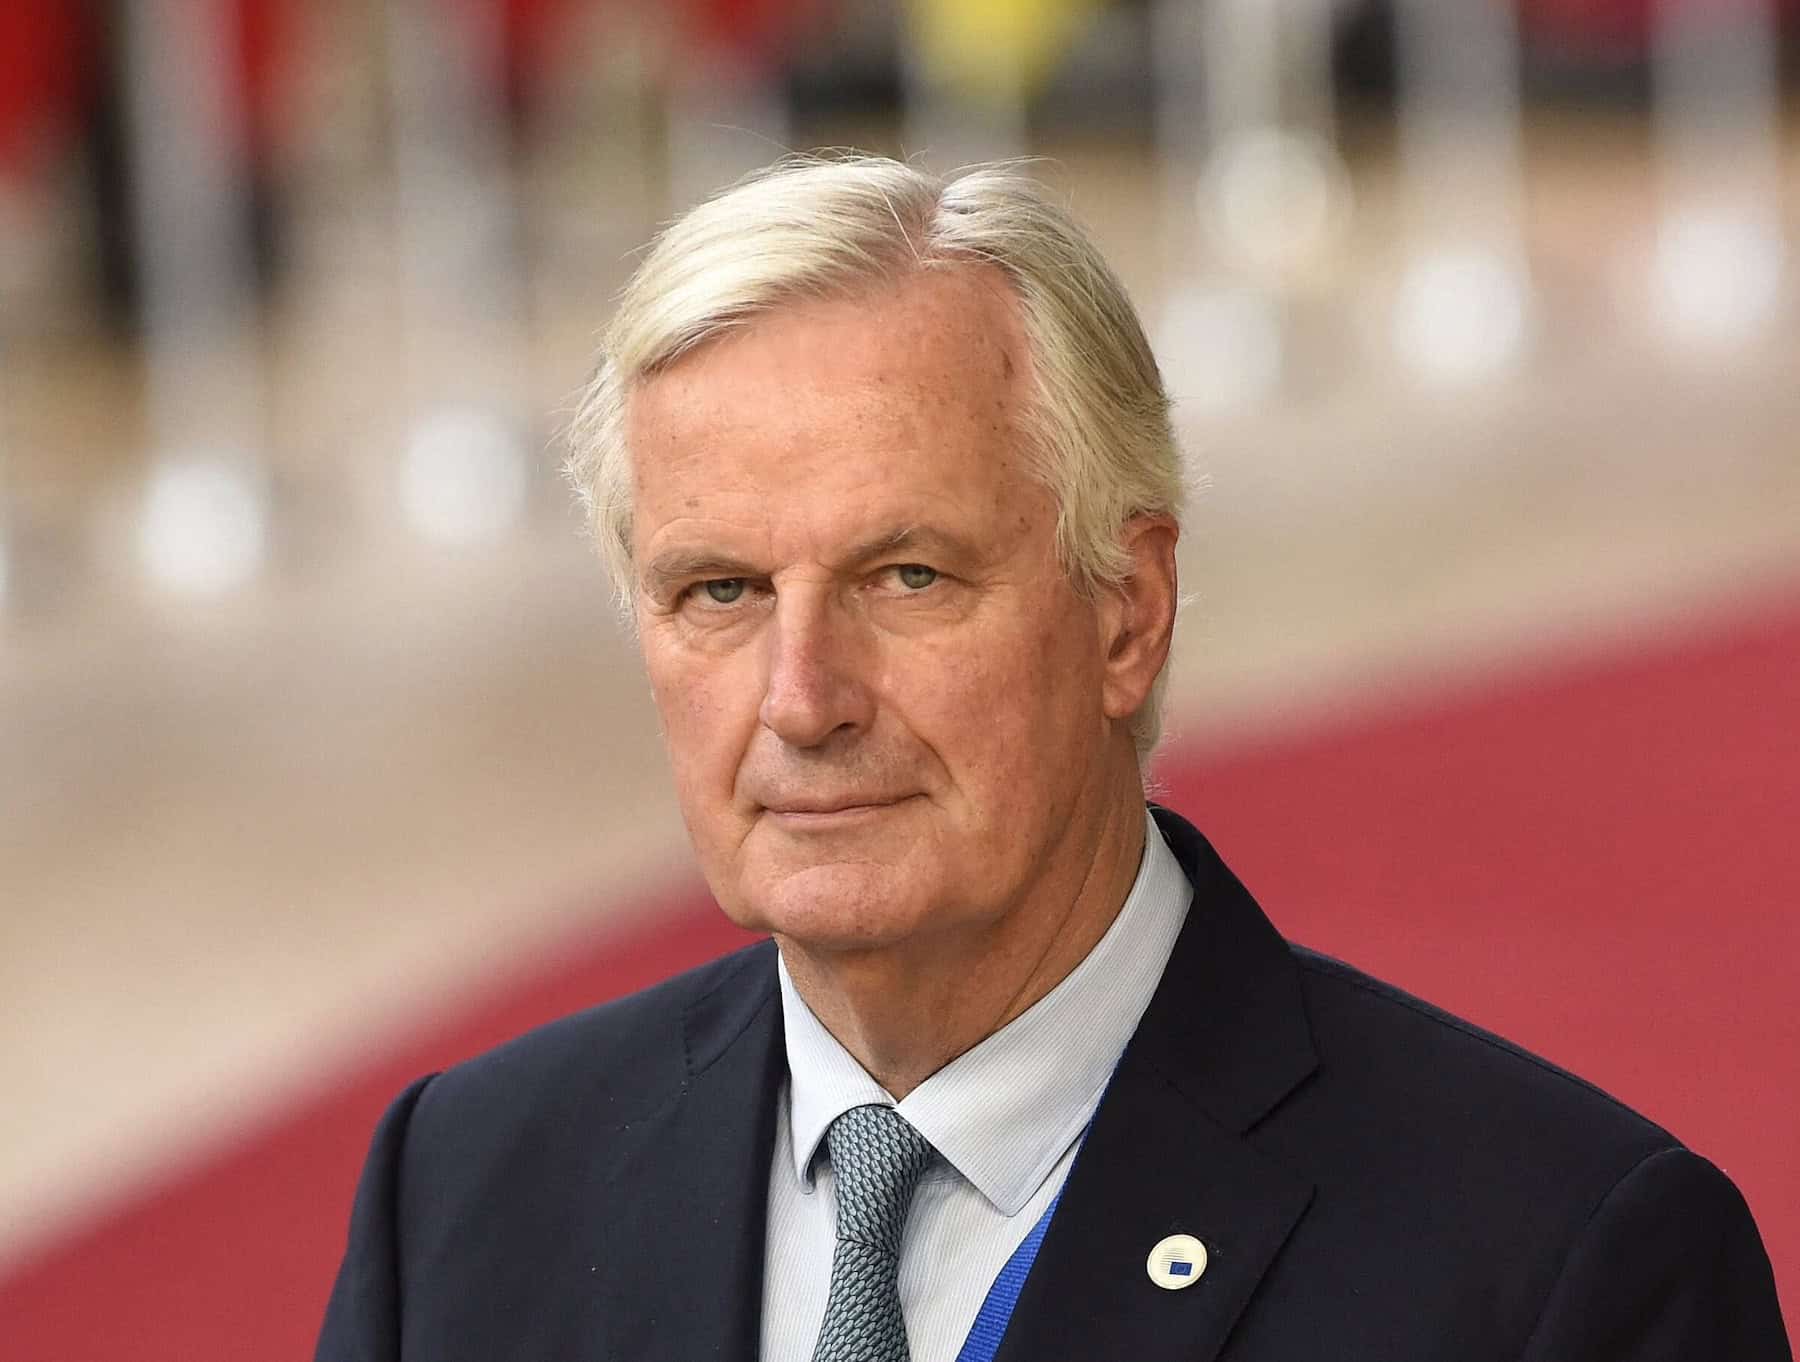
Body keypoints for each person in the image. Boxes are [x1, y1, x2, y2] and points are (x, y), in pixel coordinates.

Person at [315, 155, 1790, 1362]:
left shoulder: (1558, 1271)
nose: (803, 700)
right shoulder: (463, 1189)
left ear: (1126, 613)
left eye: (909, 576)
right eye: (721, 592)